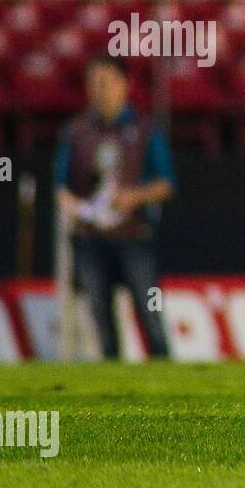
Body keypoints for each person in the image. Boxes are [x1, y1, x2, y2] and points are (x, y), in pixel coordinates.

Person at [55, 55, 176, 360]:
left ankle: (165, 369)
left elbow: (166, 183)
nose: (100, 89)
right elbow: (61, 187)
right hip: (91, 239)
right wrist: (82, 210)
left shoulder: (146, 129)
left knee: (150, 310)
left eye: (107, 81)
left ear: (125, 84)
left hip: (134, 236)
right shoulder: (76, 131)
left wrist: (133, 197)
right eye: (94, 82)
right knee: (101, 320)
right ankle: (115, 394)